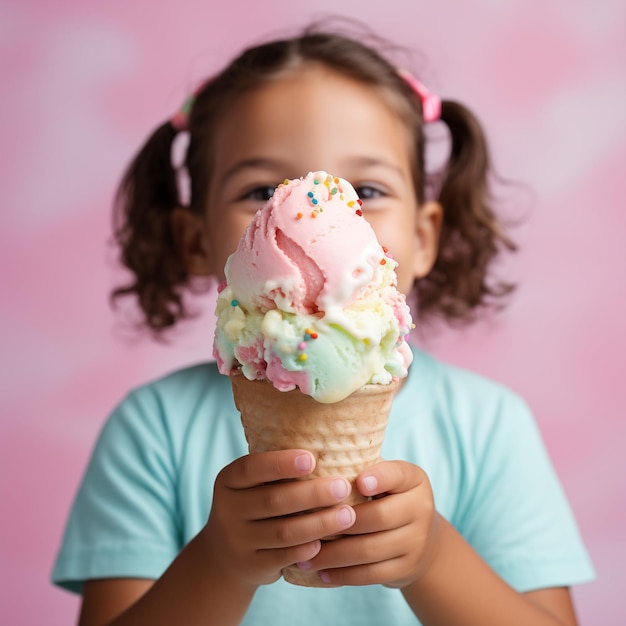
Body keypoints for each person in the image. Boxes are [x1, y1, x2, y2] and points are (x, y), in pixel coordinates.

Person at [52, 23, 594, 626]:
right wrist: (219, 564)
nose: (322, 220)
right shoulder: (151, 429)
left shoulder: (489, 427)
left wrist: (436, 560)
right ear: (196, 239)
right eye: (262, 189)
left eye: (365, 189)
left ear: (422, 238)